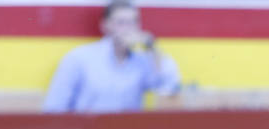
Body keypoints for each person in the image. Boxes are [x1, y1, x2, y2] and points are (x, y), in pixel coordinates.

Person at [42, 1, 179, 112]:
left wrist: (151, 47)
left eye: (133, 22)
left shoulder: (142, 61)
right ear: (105, 25)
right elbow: (54, 107)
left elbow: (168, 85)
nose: (127, 28)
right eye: (121, 22)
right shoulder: (78, 58)